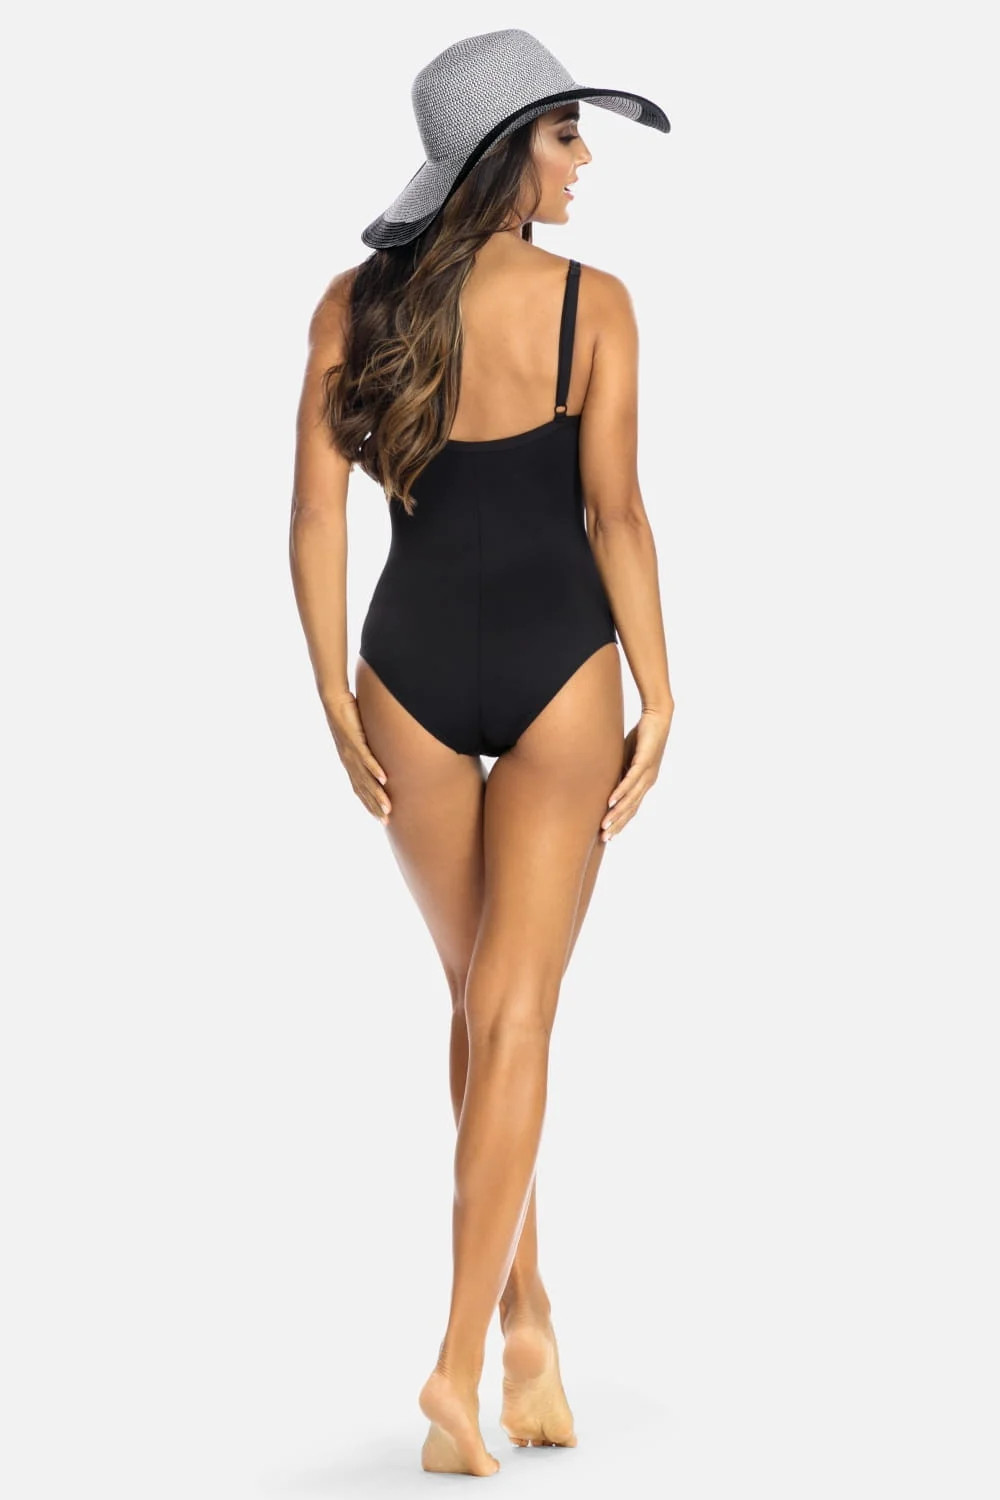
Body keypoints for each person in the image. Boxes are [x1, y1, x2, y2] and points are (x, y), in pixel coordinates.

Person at [289, 28, 676, 1479]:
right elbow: (614, 515)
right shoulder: (595, 306)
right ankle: (459, 1363)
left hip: (404, 673)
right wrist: (661, 689)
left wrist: (332, 693)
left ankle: (529, 1324)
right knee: (514, 1016)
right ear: (506, 151)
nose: (584, 161)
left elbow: (316, 516)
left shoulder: (355, 304)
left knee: (477, 1005)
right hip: (562, 670)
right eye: (567, 134)